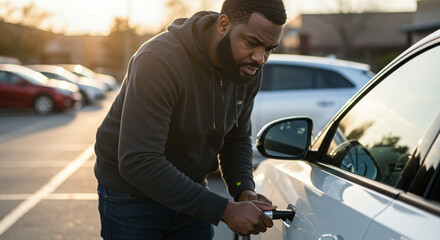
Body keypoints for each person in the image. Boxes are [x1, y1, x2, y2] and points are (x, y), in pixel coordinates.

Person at [94, 0, 286, 239]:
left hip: (191, 192)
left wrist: (243, 190)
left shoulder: (247, 68)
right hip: (132, 199)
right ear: (224, 25)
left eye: (269, 48)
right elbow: (139, 160)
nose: (260, 58)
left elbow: (235, 138)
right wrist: (224, 210)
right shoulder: (160, 60)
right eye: (252, 43)